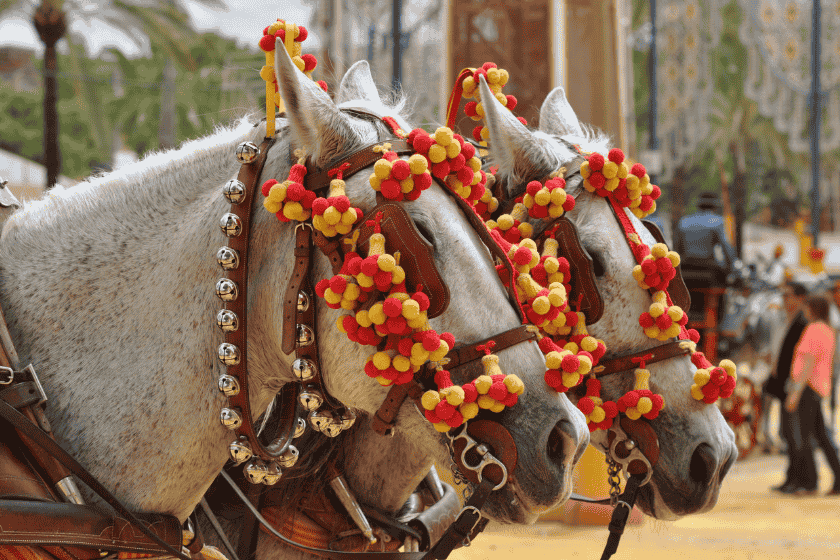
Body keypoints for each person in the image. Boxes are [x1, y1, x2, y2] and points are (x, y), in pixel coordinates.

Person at [783, 294, 840, 496]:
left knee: (805, 437)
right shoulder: (828, 330)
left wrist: (795, 393)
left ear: (813, 309)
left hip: (807, 386)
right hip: (819, 386)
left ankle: (810, 482)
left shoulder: (813, 329)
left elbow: (807, 363)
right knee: (822, 436)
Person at [764, 282, 808, 471]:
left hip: (795, 384)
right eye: (783, 296)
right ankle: (793, 476)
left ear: (800, 298)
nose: (784, 299)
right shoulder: (785, 319)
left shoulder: (804, 322)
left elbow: (804, 358)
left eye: (788, 296)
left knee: (797, 433)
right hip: (783, 382)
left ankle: (800, 478)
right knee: (788, 432)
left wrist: (795, 384)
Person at [675, 191, 739, 288]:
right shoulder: (717, 222)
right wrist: (732, 267)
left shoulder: (684, 221)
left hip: (686, 268)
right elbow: (726, 248)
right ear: (715, 206)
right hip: (708, 267)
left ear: (699, 205)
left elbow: (677, 249)